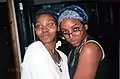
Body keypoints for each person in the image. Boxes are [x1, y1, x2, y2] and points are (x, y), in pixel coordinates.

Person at [21, 7, 70, 79]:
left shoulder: (63, 57)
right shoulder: (35, 49)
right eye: (38, 26)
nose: (44, 30)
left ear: (58, 28)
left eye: (50, 24)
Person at [58, 5, 105, 79]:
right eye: (65, 32)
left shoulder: (90, 48)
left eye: (75, 29)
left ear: (85, 27)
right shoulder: (74, 50)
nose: (71, 36)